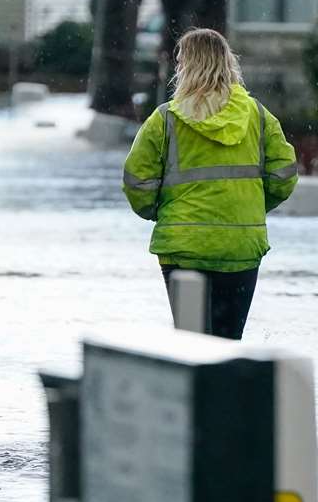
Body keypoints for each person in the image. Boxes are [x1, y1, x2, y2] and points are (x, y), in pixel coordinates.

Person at [121, 28, 299, 340]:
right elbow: (285, 174)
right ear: (228, 64)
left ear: (185, 67)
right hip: (241, 246)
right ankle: (228, 390)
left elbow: (137, 180)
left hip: (183, 247)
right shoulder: (258, 116)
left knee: (191, 346)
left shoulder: (165, 120)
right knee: (229, 343)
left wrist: (161, 212)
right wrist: (251, 205)